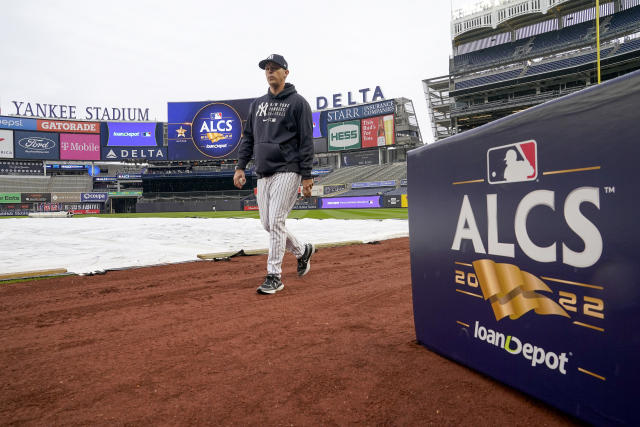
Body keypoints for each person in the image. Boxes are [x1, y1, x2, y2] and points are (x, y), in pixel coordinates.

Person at [233, 54, 315, 295]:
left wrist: (307, 174)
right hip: (264, 170)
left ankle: (274, 276)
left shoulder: (299, 103)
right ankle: (302, 251)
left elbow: (306, 141)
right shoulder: (257, 104)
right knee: (268, 224)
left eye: (275, 69)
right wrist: (240, 166)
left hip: (288, 168)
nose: (270, 72)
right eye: (267, 69)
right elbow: (248, 137)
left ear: (286, 73)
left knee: (276, 221)